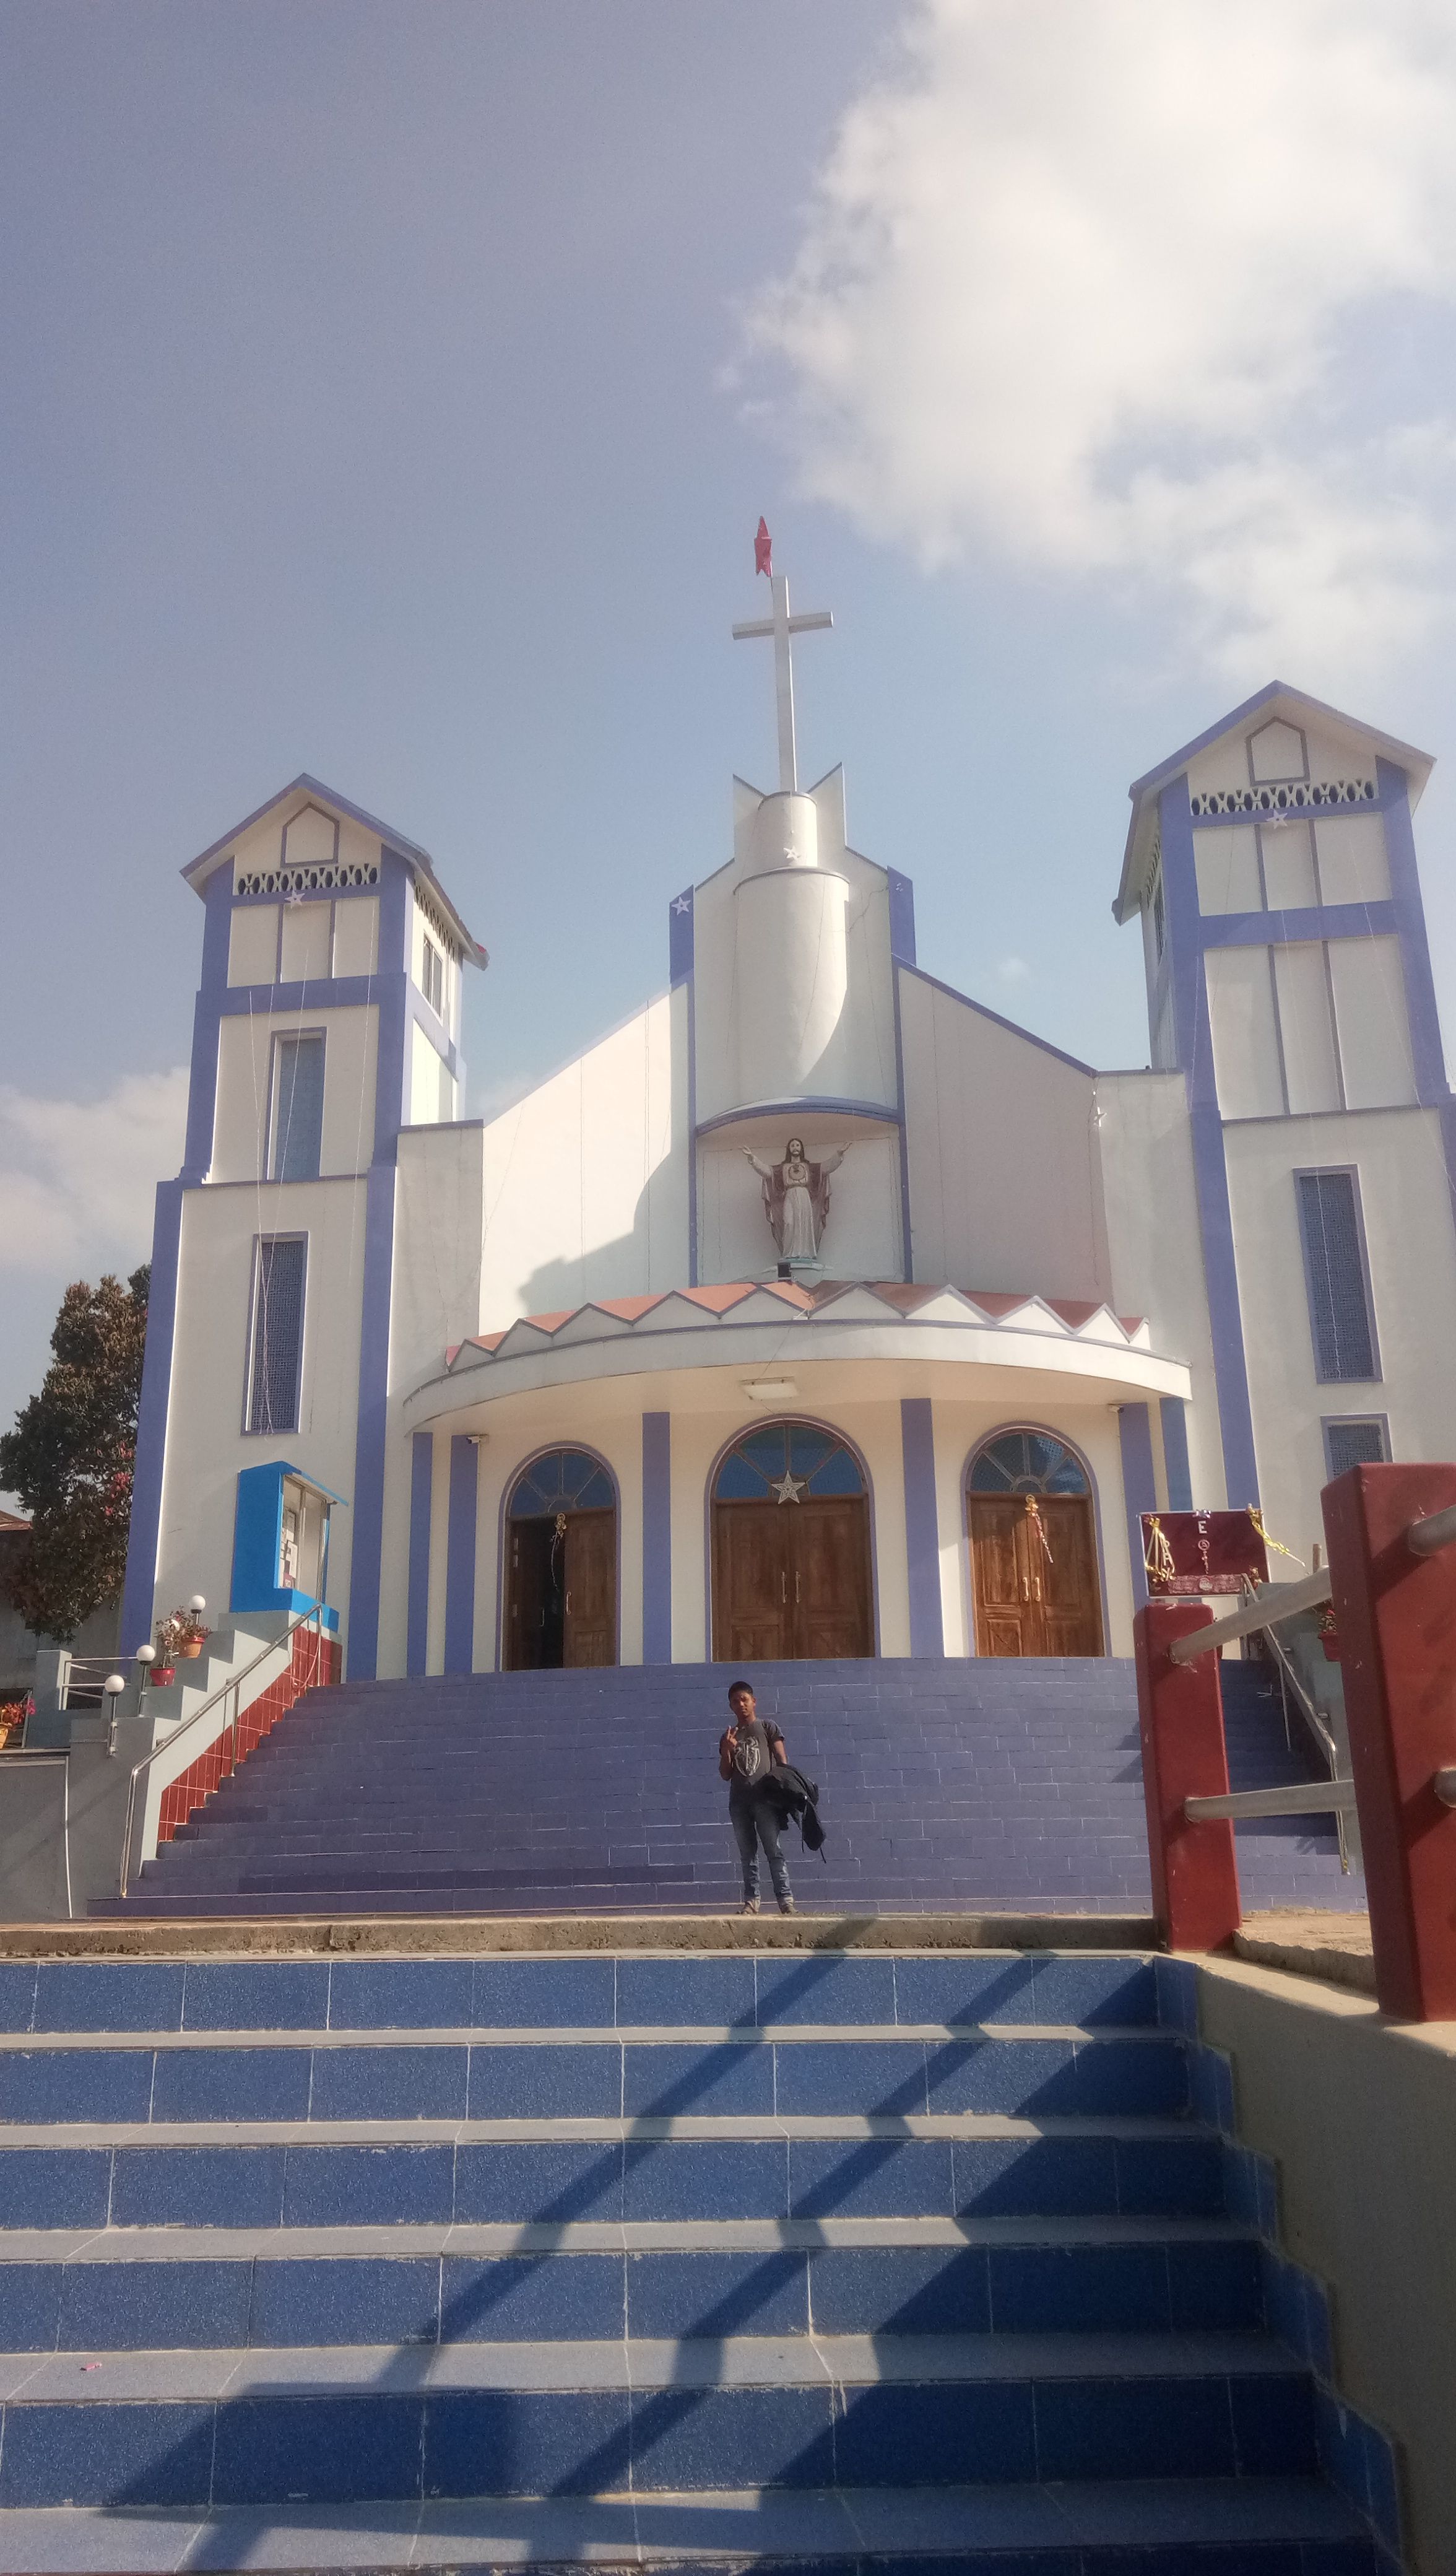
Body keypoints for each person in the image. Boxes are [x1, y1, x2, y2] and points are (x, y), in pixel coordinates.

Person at [718, 1679, 795, 1916]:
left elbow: (783, 1762)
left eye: (744, 1699)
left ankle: (785, 1901)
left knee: (774, 1850)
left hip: (765, 1802)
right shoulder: (728, 1735)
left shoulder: (768, 1727)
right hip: (739, 1804)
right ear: (730, 1706)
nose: (740, 1704)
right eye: (735, 1701)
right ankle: (752, 1902)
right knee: (747, 1855)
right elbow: (725, 1774)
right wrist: (727, 1750)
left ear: (753, 1702)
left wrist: (781, 1795)